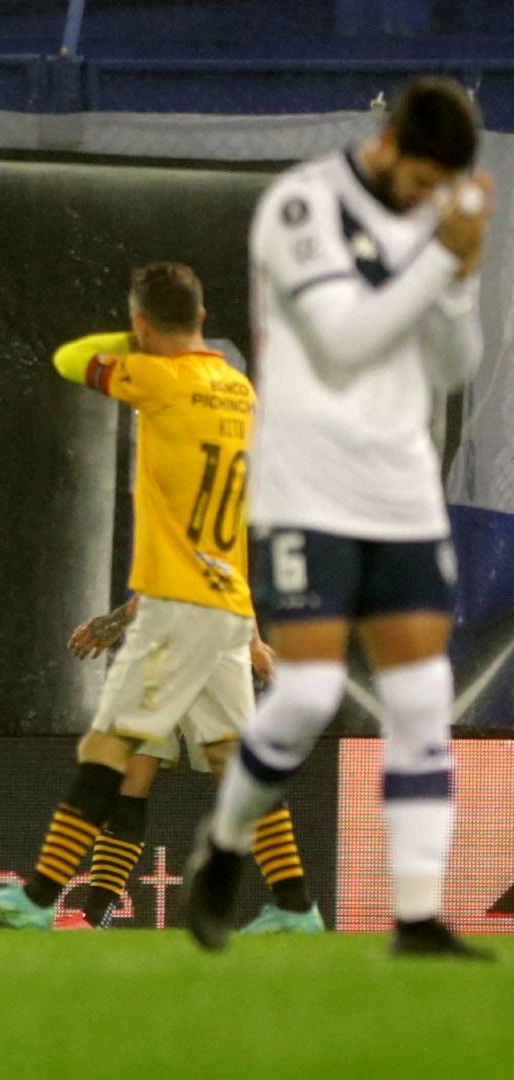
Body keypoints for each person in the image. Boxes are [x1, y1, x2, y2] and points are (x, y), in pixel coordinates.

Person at [188, 76, 494, 959]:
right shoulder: (302, 205)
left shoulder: (430, 217)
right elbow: (341, 339)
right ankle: (223, 846)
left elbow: (451, 361)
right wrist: (445, 257)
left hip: (401, 487)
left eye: (444, 186)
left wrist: (465, 278)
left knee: (422, 695)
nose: (428, 199)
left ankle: (417, 917)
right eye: (422, 178)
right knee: (313, 692)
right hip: (307, 483)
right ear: (390, 140)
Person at [0, 264, 311, 931]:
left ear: (144, 323)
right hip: (226, 605)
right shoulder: (238, 389)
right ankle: (296, 909)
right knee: (233, 761)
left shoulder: (156, 378)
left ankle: (36, 900)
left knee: (113, 749)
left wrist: (139, 341)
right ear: (203, 318)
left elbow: (69, 357)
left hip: (176, 607)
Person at [65, 595, 322, 932]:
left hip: (211, 651)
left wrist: (254, 643)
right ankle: (95, 917)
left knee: (241, 780)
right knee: (130, 775)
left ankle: (295, 905)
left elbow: (209, 571)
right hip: (155, 652)